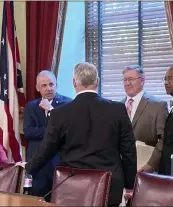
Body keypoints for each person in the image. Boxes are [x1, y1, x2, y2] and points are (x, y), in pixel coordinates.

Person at [21, 62, 137, 206]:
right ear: (97, 81)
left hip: (73, 186)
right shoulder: (118, 109)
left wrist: (27, 167)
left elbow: (46, 150)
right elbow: (129, 152)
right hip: (110, 185)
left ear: (74, 82)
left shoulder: (59, 114)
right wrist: (130, 185)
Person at [23, 70, 72, 200]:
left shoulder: (68, 104)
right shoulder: (31, 106)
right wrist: (52, 131)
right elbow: (28, 132)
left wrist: (51, 111)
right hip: (38, 164)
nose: (48, 88)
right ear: (37, 88)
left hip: (59, 162)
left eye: (51, 84)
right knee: (38, 200)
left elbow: (67, 131)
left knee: (60, 200)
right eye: (44, 85)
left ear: (56, 85)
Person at [122, 65, 168, 172]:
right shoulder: (117, 106)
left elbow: (164, 139)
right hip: (121, 170)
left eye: (131, 79)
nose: (127, 83)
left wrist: (151, 165)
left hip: (146, 169)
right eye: (125, 80)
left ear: (142, 81)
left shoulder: (158, 106)